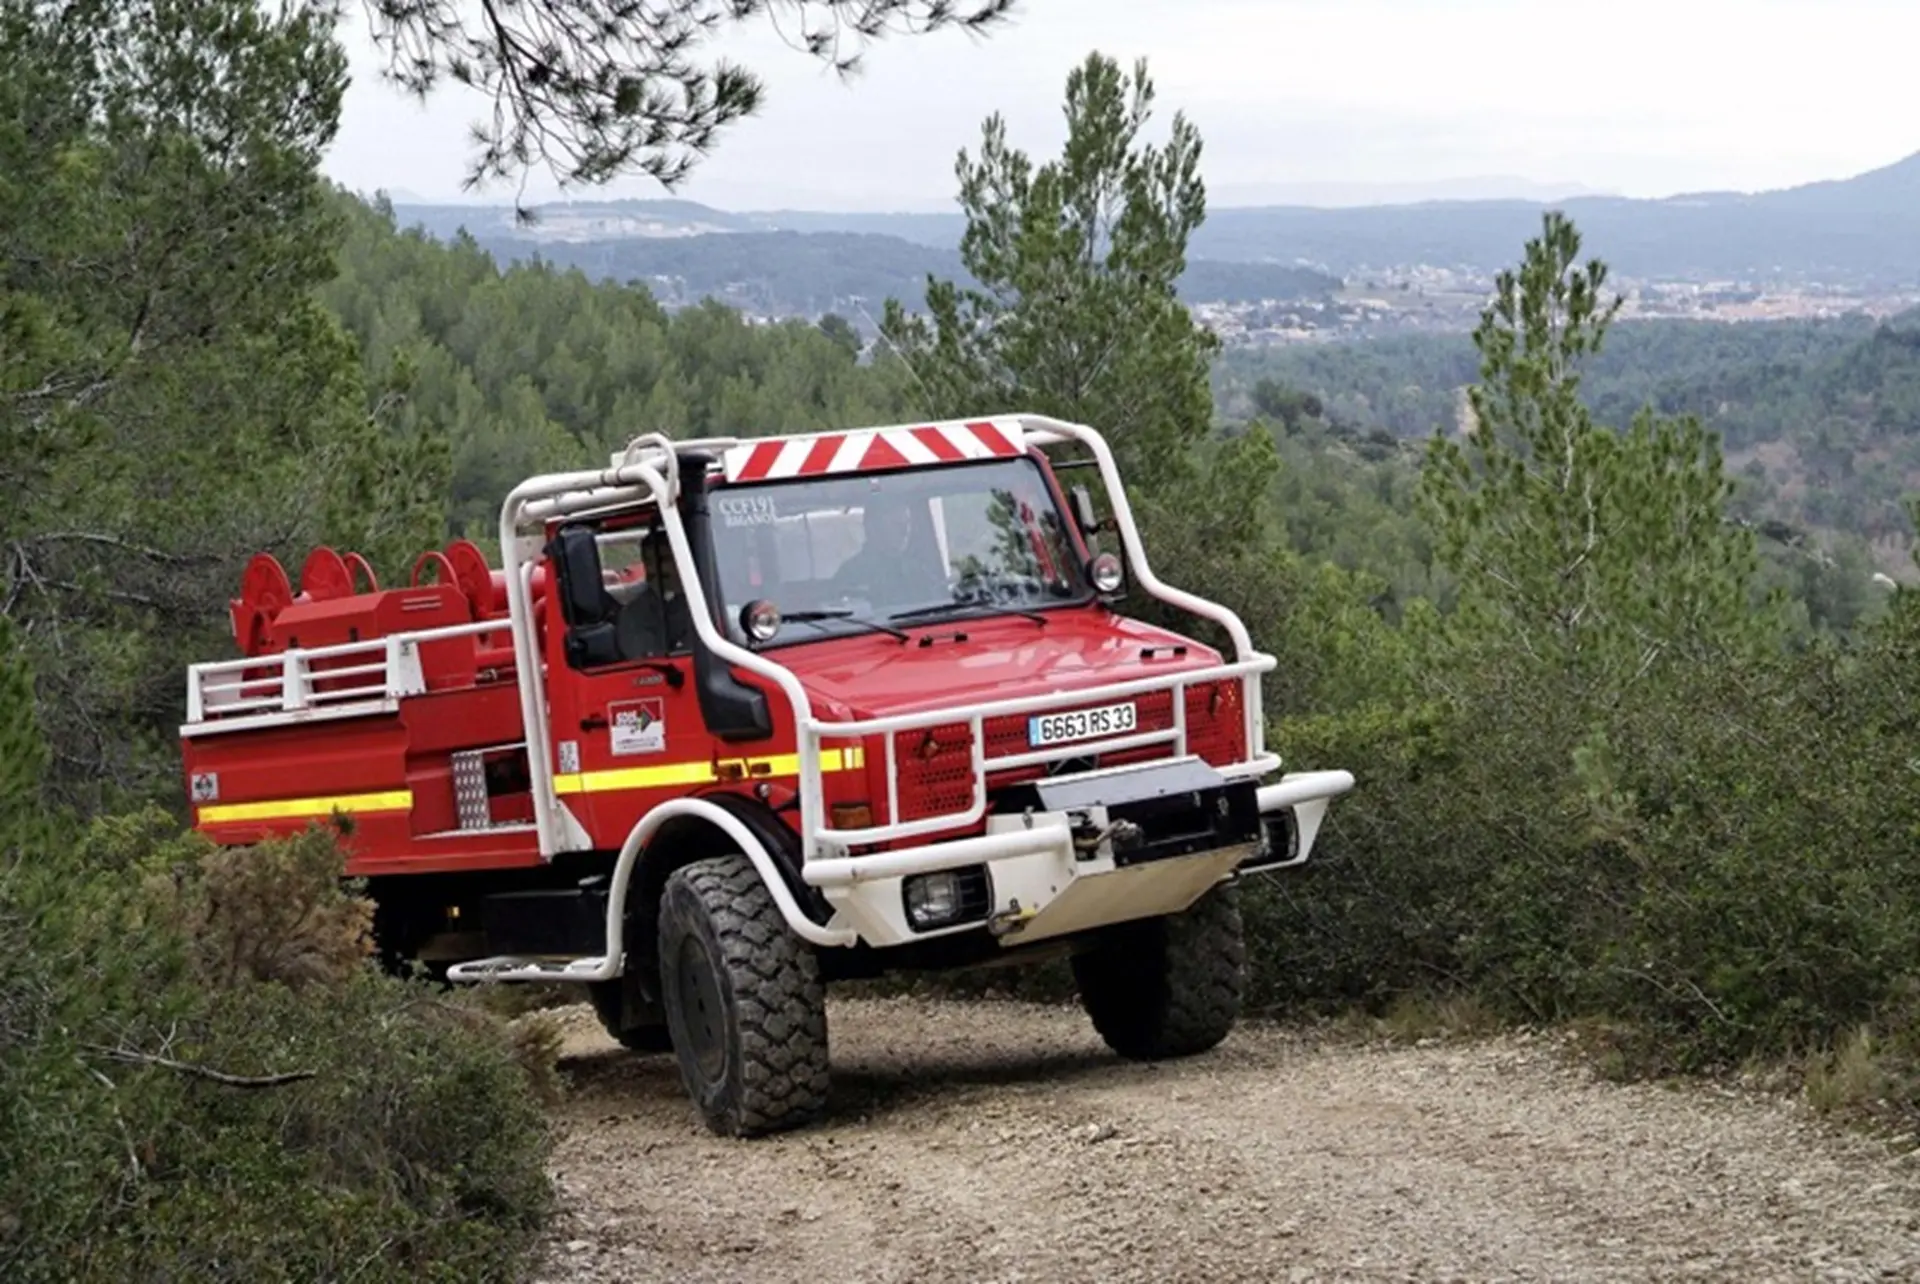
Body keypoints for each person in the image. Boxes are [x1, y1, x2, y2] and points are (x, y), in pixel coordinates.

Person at [829, 490, 943, 607]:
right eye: (896, 524)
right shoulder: (851, 575)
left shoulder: (918, 572)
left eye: (907, 524)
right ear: (873, 528)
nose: (905, 532)